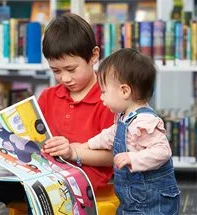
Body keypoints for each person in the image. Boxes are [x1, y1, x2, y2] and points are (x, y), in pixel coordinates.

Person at [0, 13, 114, 214]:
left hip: (79, 183)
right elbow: (33, 140)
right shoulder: (48, 96)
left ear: (94, 56)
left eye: (71, 69)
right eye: (56, 71)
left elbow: (113, 156)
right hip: (38, 173)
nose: (64, 78)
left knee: (40, 193)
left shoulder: (108, 99)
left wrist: (73, 151)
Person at [47, 48, 180, 214]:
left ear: (124, 91)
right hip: (131, 200)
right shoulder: (123, 117)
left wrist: (134, 158)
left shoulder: (145, 122)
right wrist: (84, 146)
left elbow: (162, 152)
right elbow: (109, 136)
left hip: (154, 202)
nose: (101, 98)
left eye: (104, 92)